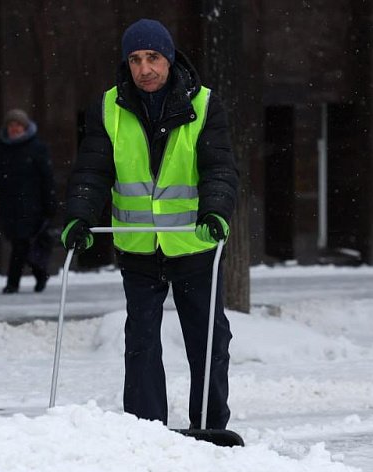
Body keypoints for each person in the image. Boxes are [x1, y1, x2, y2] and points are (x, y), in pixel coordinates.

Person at [61, 19, 238, 429]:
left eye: (153, 58)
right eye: (136, 60)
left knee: (209, 340)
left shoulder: (205, 105)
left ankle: (210, 425)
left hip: (193, 244)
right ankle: (146, 428)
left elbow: (219, 169)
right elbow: (92, 171)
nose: (145, 69)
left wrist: (215, 211)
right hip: (138, 245)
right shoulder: (109, 108)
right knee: (141, 341)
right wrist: (79, 217)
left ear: (169, 59)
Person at [0, 109, 57, 294]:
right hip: (8, 207)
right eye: (12, 125)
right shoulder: (1, 149)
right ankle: (39, 274)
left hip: (32, 206)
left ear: (25, 127)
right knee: (21, 245)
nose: (15, 129)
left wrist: (50, 203)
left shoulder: (37, 148)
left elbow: (47, 178)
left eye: (18, 125)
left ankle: (13, 283)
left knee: (22, 244)